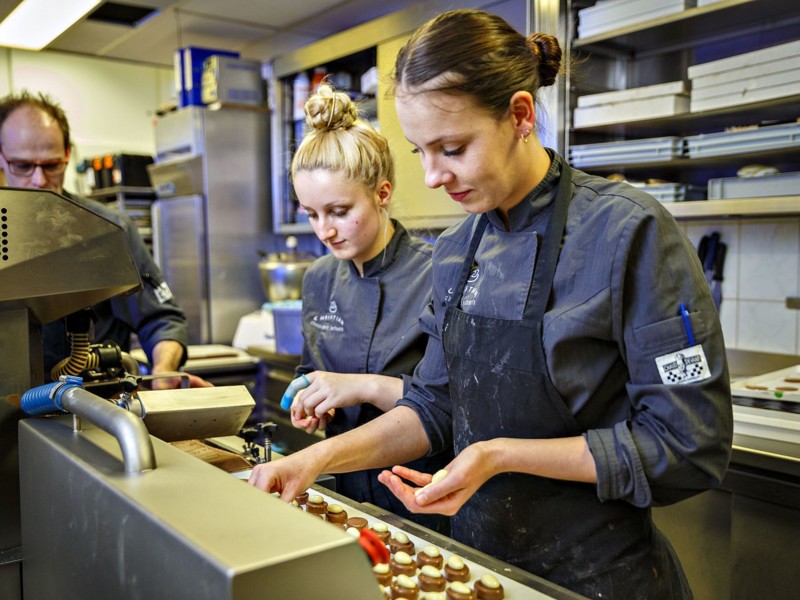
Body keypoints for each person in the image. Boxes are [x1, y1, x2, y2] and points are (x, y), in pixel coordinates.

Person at [250, 10, 732, 599]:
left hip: (598, 578)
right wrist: (314, 462)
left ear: (521, 116)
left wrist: (500, 455)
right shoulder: (456, 251)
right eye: (420, 151)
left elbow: (689, 444)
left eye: (451, 148)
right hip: (477, 568)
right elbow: (433, 407)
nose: (430, 177)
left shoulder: (626, 231)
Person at [280, 83, 451, 533]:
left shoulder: (438, 273)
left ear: (382, 192)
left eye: (338, 210)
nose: (325, 230)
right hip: (343, 492)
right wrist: (312, 401)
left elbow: (454, 405)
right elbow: (314, 371)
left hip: (422, 496)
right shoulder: (319, 278)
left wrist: (363, 386)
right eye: (311, 213)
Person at [0, 90, 210, 390]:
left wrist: (164, 369)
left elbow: (161, 319)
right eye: (22, 166)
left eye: (51, 165)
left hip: (96, 408)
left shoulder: (108, 230)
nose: (39, 180)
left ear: (68, 155)